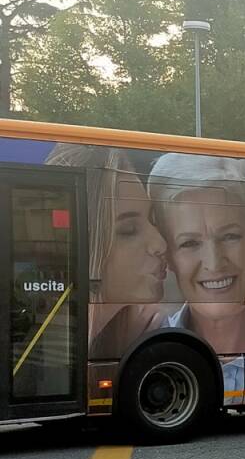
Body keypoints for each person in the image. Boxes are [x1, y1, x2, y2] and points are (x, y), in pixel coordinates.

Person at [148, 153, 245, 403]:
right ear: (168, 257)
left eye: (230, 236)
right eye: (189, 243)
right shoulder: (147, 345)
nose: (213, 262)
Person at [46, 144, 167, 358]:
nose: (160, 244)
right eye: (128, 230)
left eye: (153, 220)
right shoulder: (43, 348)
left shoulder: (145, 330)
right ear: (86, 242)